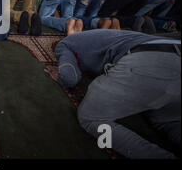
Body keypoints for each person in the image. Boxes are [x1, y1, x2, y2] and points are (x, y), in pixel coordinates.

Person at [53, 29, 180, 159]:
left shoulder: (64, 44)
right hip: (168, 52)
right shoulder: (104, 35)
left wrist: (58, 74)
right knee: (167, 121)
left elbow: (69, 77)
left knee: (90, 118)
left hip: (148, 62)